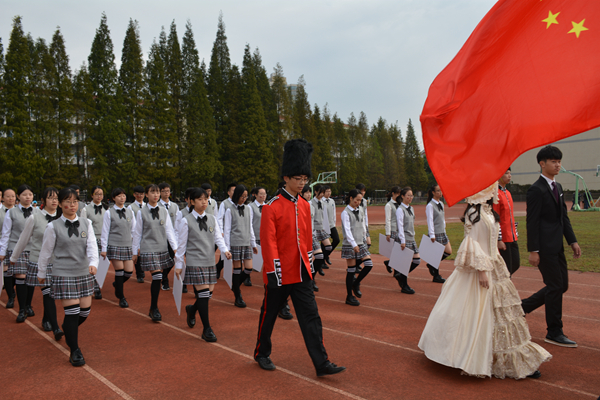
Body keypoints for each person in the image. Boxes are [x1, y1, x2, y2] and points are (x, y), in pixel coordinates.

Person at [419, 183, 551, 379]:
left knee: (502, 313)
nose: (493, 192)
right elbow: (470, 242)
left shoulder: (488, 211)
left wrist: (497, 245)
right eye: (490, 189)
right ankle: (468, 354)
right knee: (474, 312)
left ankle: (507, 357)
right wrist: (481, 270)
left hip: (494, 264)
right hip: (480, 268)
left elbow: (489, 236)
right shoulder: (474, 212)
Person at [254, 138, 345, 377]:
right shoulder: (271, 207)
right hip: (280, 273)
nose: (302, 183)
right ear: (286, 178)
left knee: (311, 317)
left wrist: (312, 263)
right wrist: (274, 272)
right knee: (270, 314)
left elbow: (306, 239)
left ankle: (322, 362)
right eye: (298, 179)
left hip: (302, 272)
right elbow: (269, 242)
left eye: (305, 179)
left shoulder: (305, 206)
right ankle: (261, 352)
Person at [521, 145, 580, 348]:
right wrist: (533, 250)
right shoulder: (535, 189)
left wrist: (572, 241)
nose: (558, 165)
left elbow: (563, 217)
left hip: (558, 246)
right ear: (542, 163)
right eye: (554, 161)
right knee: (555, 286)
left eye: (559, 161)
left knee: (561, 285)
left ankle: (522, 307)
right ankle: (554, 331)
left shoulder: (559, 187)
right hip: (544, 248)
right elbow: (532, 221)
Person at [37, 187, 99, 367]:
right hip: (63, 273)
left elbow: (92, 246)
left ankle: (68, 329)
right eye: (67, 201)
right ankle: (74, 350)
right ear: (61, 204)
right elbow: (46, 252)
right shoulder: (52, 226)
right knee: (72, 313)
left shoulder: (86, 223)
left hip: (83, 272)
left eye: (74, 202)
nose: (72, 205)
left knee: (84, 312)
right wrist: (41, 273)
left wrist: (93, 263)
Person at [175, 188, 231, 341]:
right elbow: (181, 245)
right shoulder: (186, 220)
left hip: (209, 261)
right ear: (191, 202)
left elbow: (218, 238)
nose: (204, 202)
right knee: (204, 294)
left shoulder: (212, 218)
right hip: (195, 261)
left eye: (206, 199)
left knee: (207, 295)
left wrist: (225, 250)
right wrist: (179, 264)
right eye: (200, 199)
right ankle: (207, 329)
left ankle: (192, 310)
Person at [9, 187, 63, 339]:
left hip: (57, 262)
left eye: (57, 198)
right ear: (43, 200)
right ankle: (56, 327)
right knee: (48, 292)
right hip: (39, 260)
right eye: (51, 197)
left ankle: (47, 319)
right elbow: (23, 239)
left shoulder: (62, 217)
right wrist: (14, 258)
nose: (54, 201)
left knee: (51, 293)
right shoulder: (34, 217)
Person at [132, 184, 178, 322]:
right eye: (152, 192)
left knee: (158, 277)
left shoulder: (164, 211)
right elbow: (137, 232)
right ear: (147, 195)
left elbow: (169, 230)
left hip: (161, 248)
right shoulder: (141, 212)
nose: (156, 195)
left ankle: (153, 308)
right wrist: (135, 252)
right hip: (148, 248)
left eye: (157, 192)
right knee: (157, 276)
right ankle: (154, 308)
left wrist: (175, 248)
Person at [0, 184, 37, 322]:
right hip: (16, 248)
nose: (28, 197)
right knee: (21, 277)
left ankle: (28, 305)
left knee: (31, 279)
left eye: (30, 194)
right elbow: (6, 233)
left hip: (33, 249)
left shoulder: (37, 212)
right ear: (18, 196)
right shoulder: (12, 212)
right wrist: (2, 251)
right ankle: (21, 309)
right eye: (25, 194)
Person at [223, 184, 258, 307]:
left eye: (246, 196)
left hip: (246, 242)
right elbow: (227, 230)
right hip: (235, 242)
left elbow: (250, 227)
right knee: (237, 270)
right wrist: (226, 248)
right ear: (237, 195)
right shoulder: (229, 209)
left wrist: (253, 243)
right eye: (242, 196)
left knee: (248, 268)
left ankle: (235, 286)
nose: (244, 198)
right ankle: (238, 296)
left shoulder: (248, 209)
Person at [100, 188, 136, 308]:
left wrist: (136, 245)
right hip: (114, 244)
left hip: (127, 245)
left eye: (124, 195)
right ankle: (121, 297)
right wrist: (104, 248)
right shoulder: (109, 213)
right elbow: (105, 231)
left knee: (129, 272)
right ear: (114, 198)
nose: (122, 198)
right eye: (119, 196)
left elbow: (134, 230)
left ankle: (117, 284)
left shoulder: (130, 211)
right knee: (119, 270)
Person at [340, 189, 374, 306]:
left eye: (360, 200)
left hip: (361, 242)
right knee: (351, 270)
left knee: (369, 264)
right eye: (357, 200)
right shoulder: (345, 213)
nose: (358, 202)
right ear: (351, 198)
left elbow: (363, 225)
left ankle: (356, 283)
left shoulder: (360, 210)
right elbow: (347, 230)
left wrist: (365, 237)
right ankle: (349, 296)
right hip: (350, 244)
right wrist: (353, 244)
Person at [493, 168, 520, 276]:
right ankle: (502, 288)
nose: (509, 176)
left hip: (512, 236)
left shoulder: (507, 193)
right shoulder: (496, 194)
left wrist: (515, 232)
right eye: (506, 173)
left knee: (515, 264)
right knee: (506, 266)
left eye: (510, 173)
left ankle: (501, 283)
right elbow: (495, 218)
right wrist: (498, 239)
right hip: (503, 237)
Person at [80, 186, 106, 300]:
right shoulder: (86, 209)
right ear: (92, 195)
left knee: (103, 265)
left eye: (101, 194)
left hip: (104, 239)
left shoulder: (106, 208)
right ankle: (95, 287)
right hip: (93, 239)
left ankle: (98, 284)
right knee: (94, 263)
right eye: (97, 194)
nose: (99, 196)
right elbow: (83, 225)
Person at [394, 187, 421, 294]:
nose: (410, 197)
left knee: (417, 260)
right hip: (404, 238)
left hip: (411, 237)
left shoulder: (411, 208)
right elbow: (400, 226)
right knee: (405, 263)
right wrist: (402, 240)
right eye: (408, 195)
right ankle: (404, 285)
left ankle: (400, 275)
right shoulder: (400, 209)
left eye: (411, 195)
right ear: (402, 196)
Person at [425, 184, 451, 283]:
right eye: (438, 191)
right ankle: (436, 276)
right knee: (436, 255)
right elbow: (430, 220)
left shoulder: (441, 203)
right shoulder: (430, 205)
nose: (440, 193)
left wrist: (444, 228)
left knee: (448, 251)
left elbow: (442, 218)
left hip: (442, 232)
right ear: (433, 193)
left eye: (441, 191)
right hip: (435, 233)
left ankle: (431, 264)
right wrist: (432, 234)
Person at [158, 182, 181, 291]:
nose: (166, 193)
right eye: (164, 191)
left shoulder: (174, 206)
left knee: (173, 257)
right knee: (163, 259)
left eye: (168, 191)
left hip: (173, 237)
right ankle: (165, 280)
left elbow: (177, 222)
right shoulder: (157, 206)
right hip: (161, 237)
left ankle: (164, 275)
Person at [246, 187, 267, 287]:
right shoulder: (250, 207)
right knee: (250, 258)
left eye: (264, 194)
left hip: (265, 235)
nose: (263, 196)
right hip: (254, 235)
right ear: (255, 195)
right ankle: (247, 277)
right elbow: (249, 223)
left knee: (265, 258)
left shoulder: (267, 206)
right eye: (261, 194)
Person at [127, 185, 146, 283]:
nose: (140, 196)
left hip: (145, 233)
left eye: (142, 194)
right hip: (136, 233)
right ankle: (139, 274)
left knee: (143, 253)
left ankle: (142, 270)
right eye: (138, 194)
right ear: (134, 195)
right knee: (137, 253)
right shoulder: (131, 207)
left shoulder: (146, 206)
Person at [2, 188, 17, 308]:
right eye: (8, 196)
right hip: (3, 244)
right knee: (6, 271)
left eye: (13, 196)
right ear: (3, 198)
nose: (11, 198)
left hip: (17, 244)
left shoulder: (19, 211)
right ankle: (10, 296)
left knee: (18, 272)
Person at [383, 186, 401, 274]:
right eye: (397, 193)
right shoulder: (389, 205)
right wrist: (388, 233)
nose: (398, 195)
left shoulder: (400, 204)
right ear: (393, 193)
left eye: (399, 194)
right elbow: (388, 219)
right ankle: (396, 271)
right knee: (396, 251)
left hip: (400, 230)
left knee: (398, 251)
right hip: (393, 230)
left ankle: (389, 263)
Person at [322, 185, 338, 267]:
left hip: (331, 224)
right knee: (324, 243)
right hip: (323, 226)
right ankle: (322, 261)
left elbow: (334, 212)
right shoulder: (321, 201)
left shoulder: (332, 201)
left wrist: (334, 223)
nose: (329, 193)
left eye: (330, 191)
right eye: (327, 191)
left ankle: (326, 255)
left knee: (336, 240)